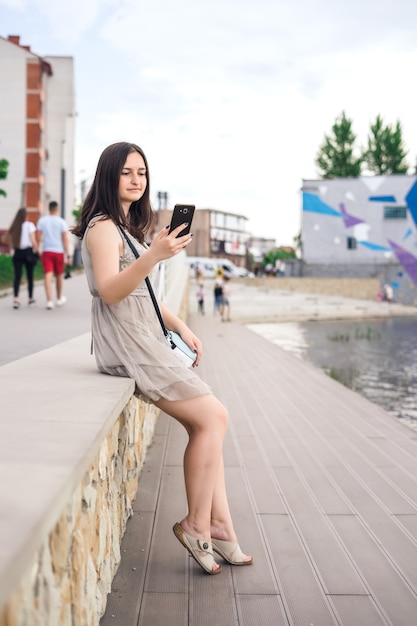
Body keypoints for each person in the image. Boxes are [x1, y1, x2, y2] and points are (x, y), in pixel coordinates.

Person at [72, 142, 252, 575]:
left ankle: (221, 526)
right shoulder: (102, 229)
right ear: (108, 176)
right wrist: (154, 254)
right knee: (214, 418)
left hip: (148, 338)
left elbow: (144, 292)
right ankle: (196, 524)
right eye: (127, 173)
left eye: (143, 173)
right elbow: (111, 292)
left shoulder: (126, 228)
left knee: (207, 424)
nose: (137, 180)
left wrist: (181, 326)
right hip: (129, 345)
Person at [36, 200, 72, 309]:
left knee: (48, 274)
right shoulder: (61, 222)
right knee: (59, 275)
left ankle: (49, 301)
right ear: (57, 209)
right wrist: (68, 254)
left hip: (47, 250)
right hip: (59, 251)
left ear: (49, 209)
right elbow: (65, 239)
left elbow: (38, 237)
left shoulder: (42, 221)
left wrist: (45, 240)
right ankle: (59, 298)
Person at [7, 207, 39, 308]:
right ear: (26, 215)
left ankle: (16, 299)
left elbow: (9, 240)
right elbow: (33, 241)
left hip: (17, 253)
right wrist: (38, 251)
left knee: (17, 276)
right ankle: (30, 299)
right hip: (28, 253)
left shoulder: (15, 226)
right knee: (30, 276)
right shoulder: (30, 225)